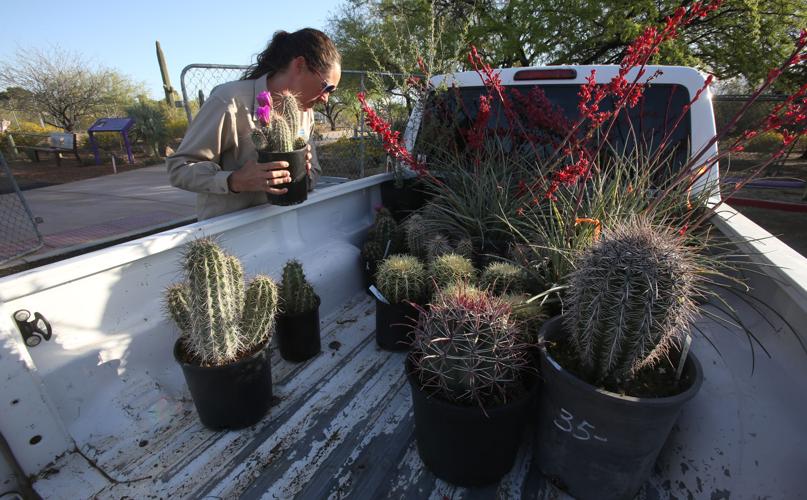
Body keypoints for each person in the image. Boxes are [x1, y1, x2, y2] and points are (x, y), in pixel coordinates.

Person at [167, 28, 341, 220]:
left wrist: (304, 173)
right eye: (326, 87)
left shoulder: (305, 112)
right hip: (229, 231)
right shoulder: (229, 101)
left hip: (283, 226)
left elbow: (313, 173)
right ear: (299, 65)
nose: (326, 98)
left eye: (331, 92)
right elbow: (179, 168)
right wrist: (235, 181)